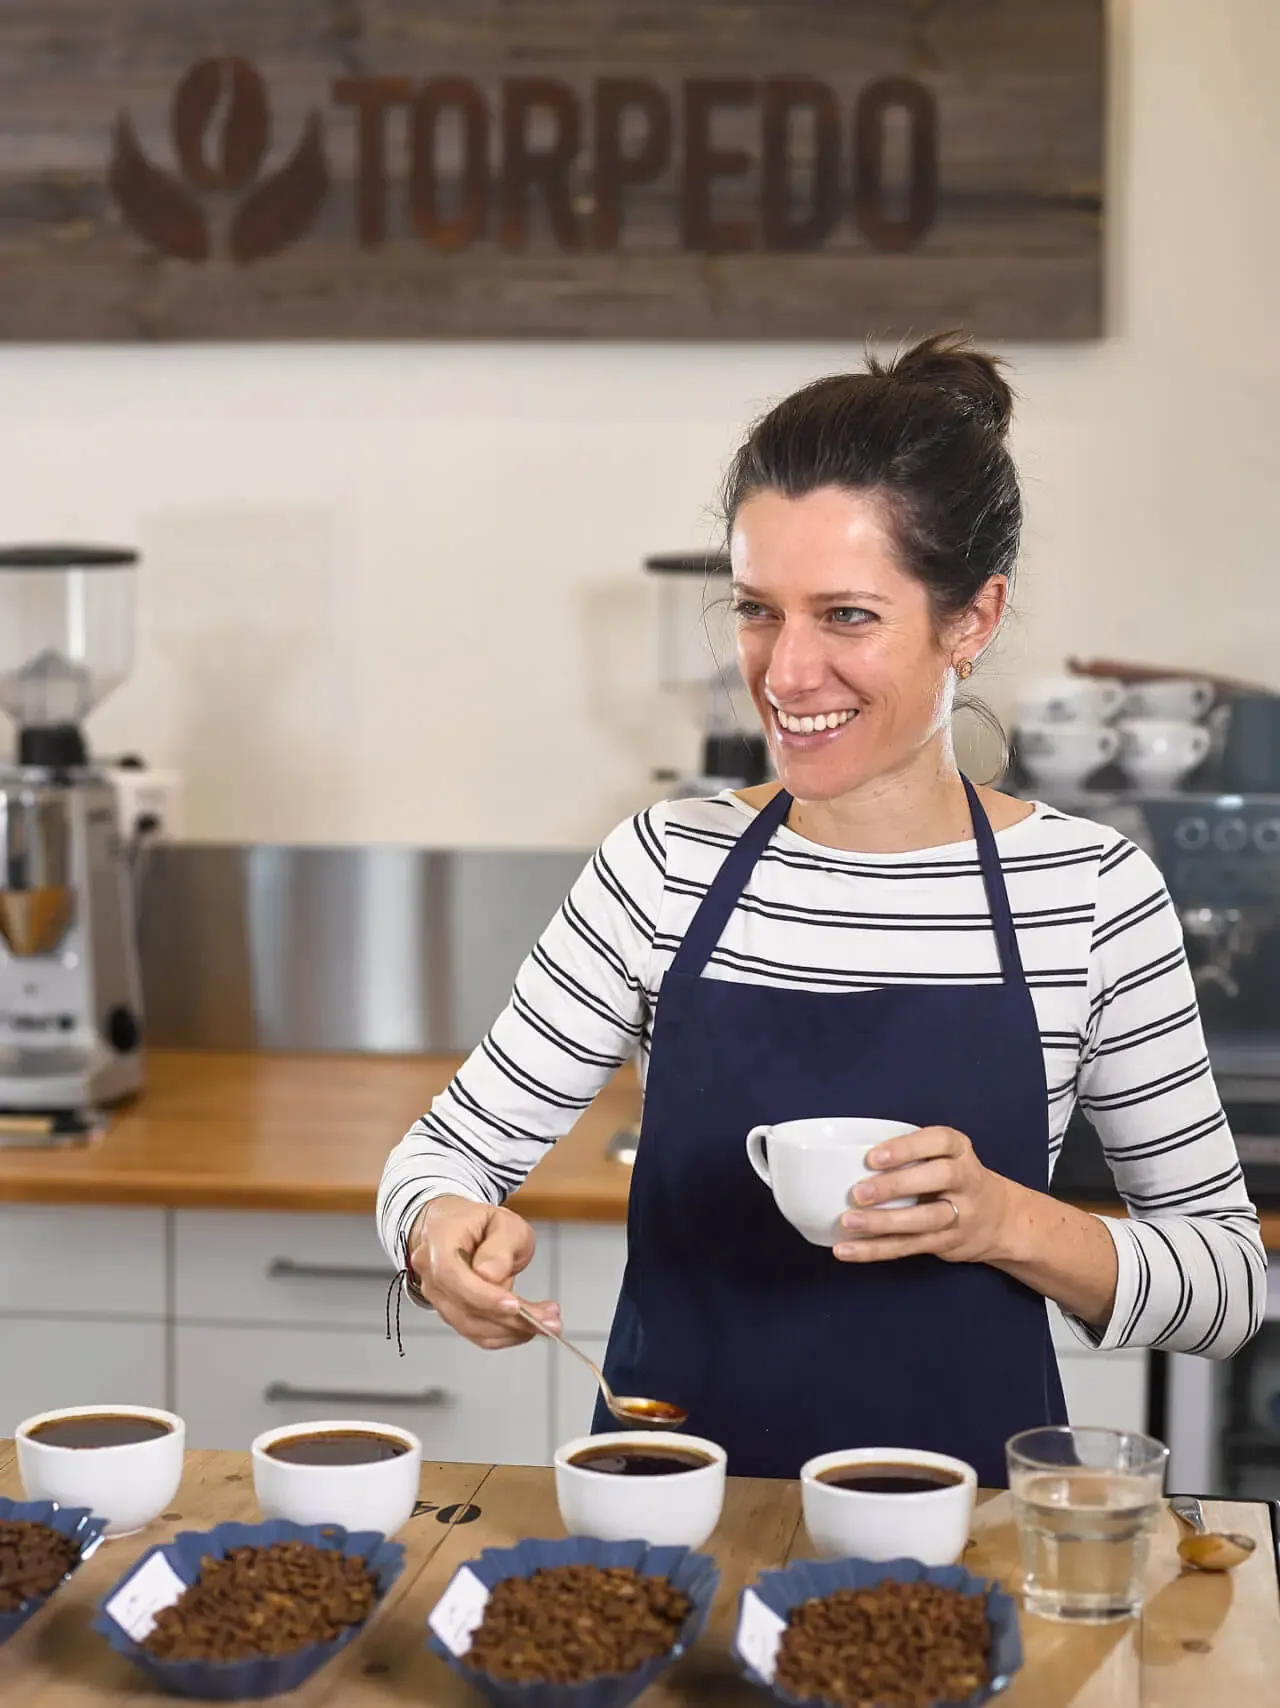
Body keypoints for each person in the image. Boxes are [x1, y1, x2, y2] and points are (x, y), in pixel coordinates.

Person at [377, 333, 1264, 1485]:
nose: (784, 674)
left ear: (970, 619)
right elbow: (443, 1153)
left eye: (844, 615)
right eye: (756, 609)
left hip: (965, 1539)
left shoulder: (1088, 895)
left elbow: (1230, 1287)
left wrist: (1003, 1221)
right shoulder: (660, 865)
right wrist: (438, 1234)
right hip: (669, 1522)